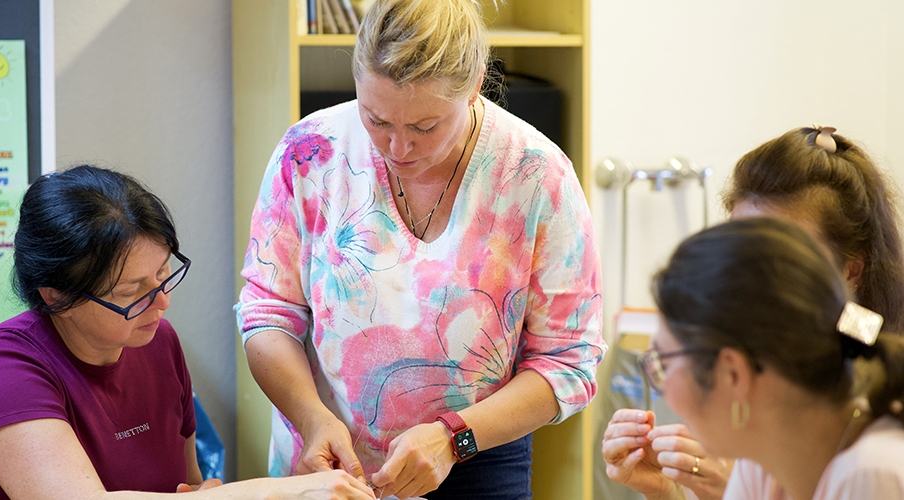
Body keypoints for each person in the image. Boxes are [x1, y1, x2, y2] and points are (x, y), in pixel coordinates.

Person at [235, 0, 606, 498]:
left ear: (475, 83)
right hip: (326, 457)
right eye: (376, 119)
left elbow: (568, 362)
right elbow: (267, 313)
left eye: (424, 127)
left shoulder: (536, 176)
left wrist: (455, 439)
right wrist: (312, 418)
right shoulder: (311, 152)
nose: (397, 149)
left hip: (477, 456)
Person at [0, 165, 375, 499]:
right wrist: (269, 491)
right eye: (133, 291)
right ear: (57, 297)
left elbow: (185, 484)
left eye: (163, 274)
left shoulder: (157, 342)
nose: (162, 301)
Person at [602, 126, 904, 500]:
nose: (742, 286)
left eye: (775, 259)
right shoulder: (766, 441)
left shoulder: (871, 471)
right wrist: (668, 492)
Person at [639, 217, 904, 498]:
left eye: (664, 364)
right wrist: (665, 493)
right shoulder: (762, 465)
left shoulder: (871, 477)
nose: (666, 392)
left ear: (733, 374)